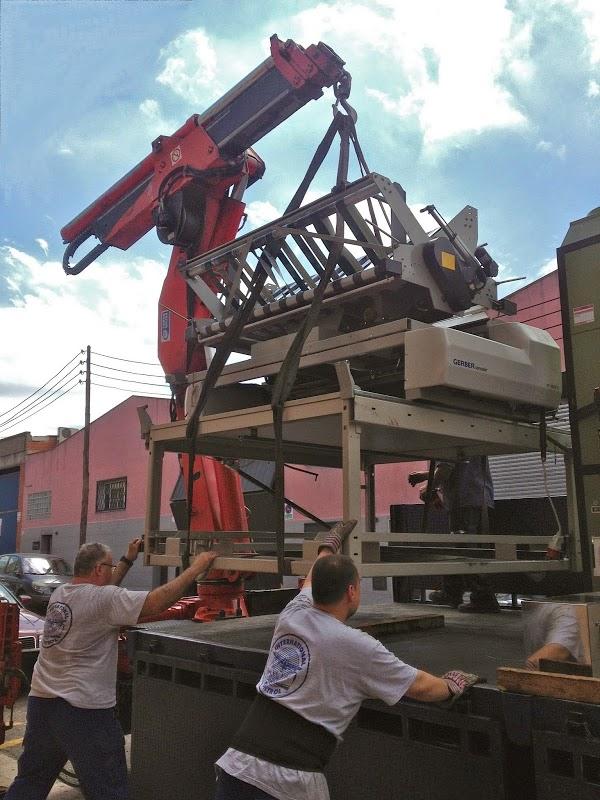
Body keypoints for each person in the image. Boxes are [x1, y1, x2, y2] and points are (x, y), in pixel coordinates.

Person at [214, 524, 481, 800]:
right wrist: (451, 685)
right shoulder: (357, 647)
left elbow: (310, 578)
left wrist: (328, 546)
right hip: (286, 783)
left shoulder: (292, 615)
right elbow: (423, 687)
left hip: (237, 767)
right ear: (351, 591)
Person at [5, 538, 218, 800]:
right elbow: (155, 603)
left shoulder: (62, 594)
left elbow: (103, 594)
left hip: (43, 705)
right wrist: (197, 567)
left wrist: (128, 560)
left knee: (30, 782)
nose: (112, 569)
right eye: (111, 565)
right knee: (109, 789)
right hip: (83, 712)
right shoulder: (103, 599)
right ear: (98, 569)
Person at [409, 457, 500, 613]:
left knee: (468, 549)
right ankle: (452, 592)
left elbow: (446, 468)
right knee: (460, 547)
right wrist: (426, 475)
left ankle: (482, 596)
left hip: (465, 499)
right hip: (474, 497)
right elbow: (458, 466)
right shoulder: (473, 435)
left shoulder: (445, 437)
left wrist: (429, 487)